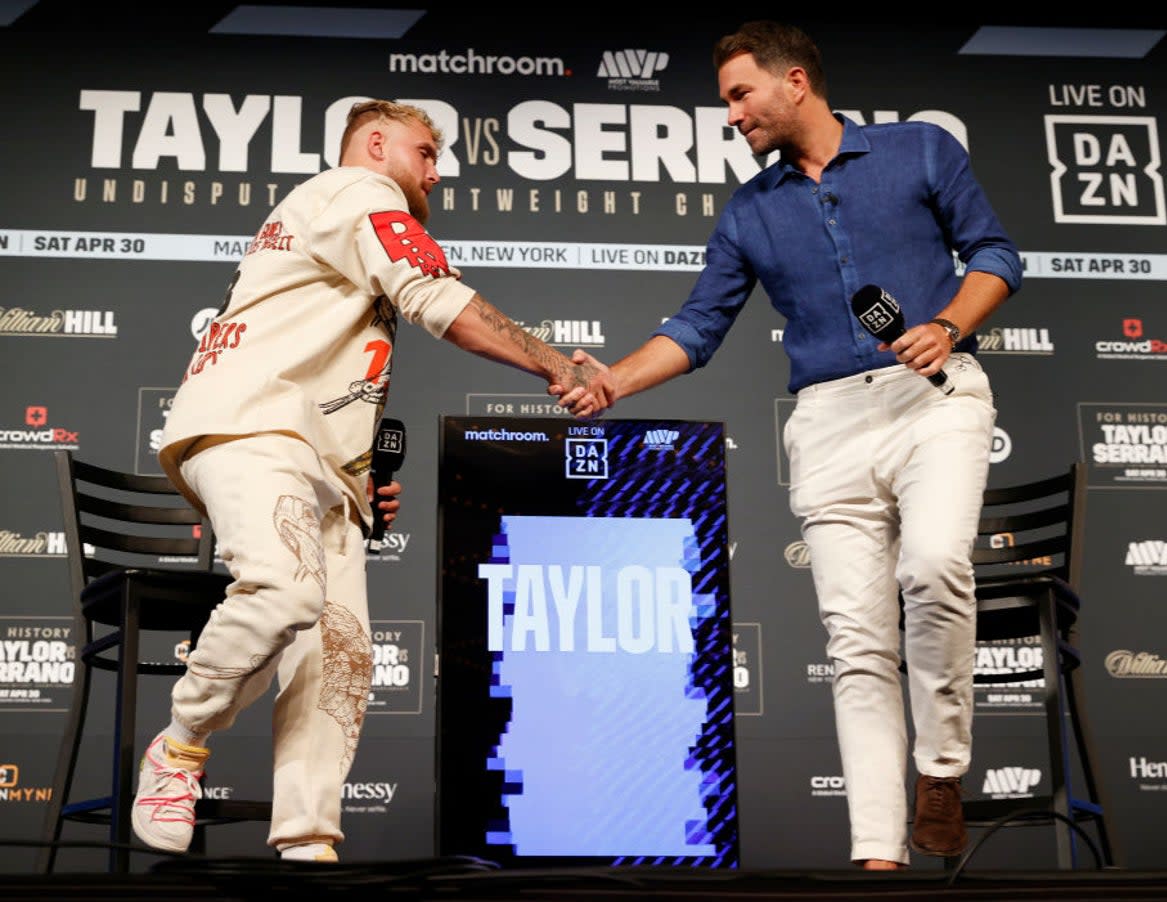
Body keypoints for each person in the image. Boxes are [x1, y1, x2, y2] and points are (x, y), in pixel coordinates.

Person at [556, 21, 1022, 869]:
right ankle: (879, 852)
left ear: (795, 81)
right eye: (726, 100)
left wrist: (949, 324)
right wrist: (613, 381)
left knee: (932, 568)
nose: (732, 115)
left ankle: (941, 770)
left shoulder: (918, 151)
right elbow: (700, 325)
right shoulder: (751, 210)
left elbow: (995, 252)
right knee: (856, 645)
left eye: (741, 95)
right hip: (829, 424)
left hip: (935, 398)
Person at [136, 99, 610, 863]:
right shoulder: (362, 193)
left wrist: (355, 480)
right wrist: (555, 363)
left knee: (342, 655)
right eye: (425, 152)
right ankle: (181, 745)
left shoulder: (329, 212)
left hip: (316, 460)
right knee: (286, 593)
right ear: (377, 143)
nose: (436, 170)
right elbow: (437, 300)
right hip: (255, 431)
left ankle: (307, 843)